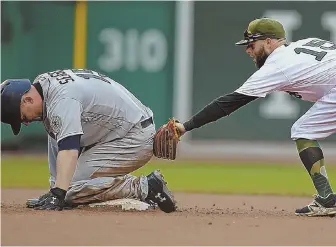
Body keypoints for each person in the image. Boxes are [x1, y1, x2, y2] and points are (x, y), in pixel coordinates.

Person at [169, 18, 336, 217]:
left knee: (303, 131)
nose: (248, 50)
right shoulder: (304, 44)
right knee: (304, 129)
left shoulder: (277, 65)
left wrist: (186, 126)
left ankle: (327, 198)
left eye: (252, 44)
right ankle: (327, 198)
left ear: (268, 42)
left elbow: (229, 103)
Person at [1, 69, 176, 213]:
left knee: (71, 190)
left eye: (22, 116)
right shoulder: (44, 84)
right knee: (55, 124)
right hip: (121, 128)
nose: (25, 122)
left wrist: (61, 192)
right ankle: (56, 189)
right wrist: (56, 190)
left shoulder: (62, 99)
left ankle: (146, 187)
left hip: (134, 137)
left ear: (28, 99)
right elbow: (59, 132)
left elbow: (69, 148)